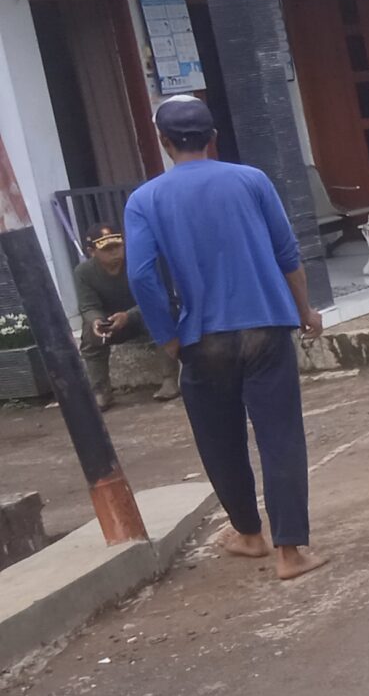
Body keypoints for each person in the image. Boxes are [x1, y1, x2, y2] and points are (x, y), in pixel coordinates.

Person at [123, 96, 329, 581]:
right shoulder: (251, 180)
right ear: (212, 137)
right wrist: (304, 311)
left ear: (164, 141)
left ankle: (249, 534)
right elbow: (286, 252)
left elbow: (142, 276)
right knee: (280, 437)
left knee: (219, 441)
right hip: (265, 326)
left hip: (201, 336)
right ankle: (291, 553)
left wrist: (168, 338)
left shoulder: (145, 199)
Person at [73, 223, 179, 409]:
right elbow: (88, 306)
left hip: (143, 315)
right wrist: (97, 321)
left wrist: (128, 316)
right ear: (92, 251)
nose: (115, 253)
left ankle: (170, 379)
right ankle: (101, 390)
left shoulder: (140, 262)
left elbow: (158, 297)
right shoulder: (84, 273)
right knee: (90, 333)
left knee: (164, 317)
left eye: (118, 246)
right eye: (107, 249)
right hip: (112, 322)